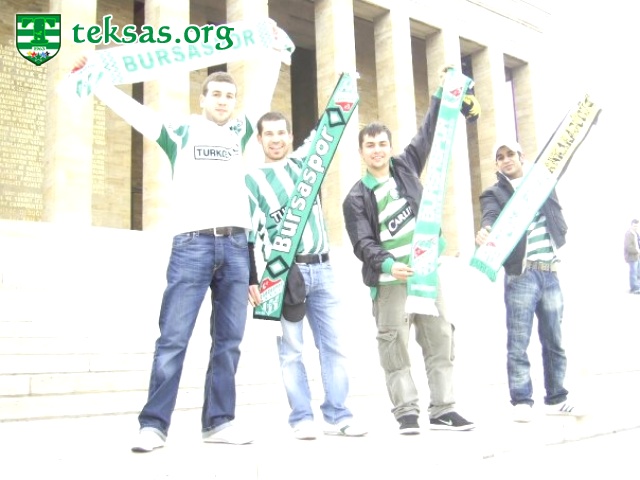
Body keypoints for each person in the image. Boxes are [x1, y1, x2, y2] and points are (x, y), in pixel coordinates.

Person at [72, 27, 285, 452]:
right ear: (202, 99)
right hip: (192, 245)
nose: (223, 100)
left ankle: (219, 422)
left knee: (229, 342)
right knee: (173, 339)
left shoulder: (241, 131)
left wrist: (276, 51)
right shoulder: (180, 132)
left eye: (229, 95)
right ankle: (153, 426)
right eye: (216, 94)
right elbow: (134, 111)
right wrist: (96, 78)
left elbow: (262, 96)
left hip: (235, 246)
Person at [342, 68, 478, 435]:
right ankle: (406, 413)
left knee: (441, 339)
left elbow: (428, 133)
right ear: (361, 152)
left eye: (381, 143)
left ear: (389, 146)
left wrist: (443, 95)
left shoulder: (404, 167)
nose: (377, 150)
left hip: (426, 275)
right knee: (394, 348)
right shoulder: (355, 197)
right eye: (370, 145)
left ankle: (444, 409)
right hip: (391, 283)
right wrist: (388, 264)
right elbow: (362, 242)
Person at [245, 112, 367, 440]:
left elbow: (325, 130)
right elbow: (248, 236)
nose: (275, 139)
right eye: (269, 134)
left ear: (290, 136)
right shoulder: (251, 180)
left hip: (323, 266)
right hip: (282, 273)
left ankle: (338, 415)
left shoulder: (305, 164)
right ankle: (301, 417)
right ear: (259, 139)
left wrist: (345, 92)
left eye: (281, 133)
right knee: (291, 352)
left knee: (334, 346)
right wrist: (252, 279)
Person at [475, 140, 584, 423]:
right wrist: (486, 230)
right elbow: (490, 216)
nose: (506, 159)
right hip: (521, 274)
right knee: (518, 340)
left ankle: (557, 398)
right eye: (500, 157)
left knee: (554, 339)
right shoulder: (494, 193)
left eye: (510, 154)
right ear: (496, 164)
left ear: (521, 157)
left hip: (550, 271)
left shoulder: (542, 183)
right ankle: (522, 400)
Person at [624, 219, 640, 294]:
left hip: (637, 256)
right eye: (634, 226)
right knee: (633, 272)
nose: (635, 227)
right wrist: (637, 251)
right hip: (632, 256)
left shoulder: (636, 233)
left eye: (637, 226)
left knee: (637, 272)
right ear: (631, 225)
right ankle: (634, 288)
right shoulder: (628, 234)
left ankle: (637, 286)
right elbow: (628, 247)